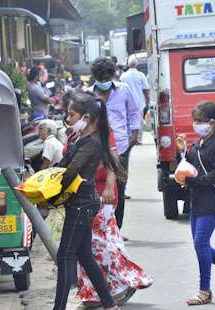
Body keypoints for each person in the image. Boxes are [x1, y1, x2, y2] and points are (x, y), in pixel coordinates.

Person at [75, 93, 153, 309]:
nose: (69, 117)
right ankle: (92, 293)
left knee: (102, 244)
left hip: (102, 195)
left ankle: (127, 280)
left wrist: (110, 186)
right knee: (86, 247)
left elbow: (112, 161)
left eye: (73, 113)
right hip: (81, 197)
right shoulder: (76, 134)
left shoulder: (104, 134)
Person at [53, 90, 120, 310]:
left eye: (71, 114)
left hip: (83, 204)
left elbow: (70, 172)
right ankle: (110, 304)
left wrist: (48, 194)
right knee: (83, 255)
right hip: (82, 202)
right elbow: (62, 166)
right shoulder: (80, 139)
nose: (67, 118)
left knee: (64, 257)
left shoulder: (91, 143)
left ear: (86, 118)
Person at [175, 101, 215, 306]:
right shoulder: (199, 143)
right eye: (194, 120)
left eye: (199, 121)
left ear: (212, 123)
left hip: (211, 202)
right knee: (202, 245)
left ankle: (204, 290)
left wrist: (193, 181)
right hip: (196, 201)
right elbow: (192, 164)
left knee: (200, 244)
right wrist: (182, 152)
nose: (195, 124)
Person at [89, 57, 142, 231]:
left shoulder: (123, 90)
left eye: (107, 78)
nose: (104, 82)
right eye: (100, 79)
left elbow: (134, 112)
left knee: (119, 185)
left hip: (120, 145)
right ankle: (100, 225)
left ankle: (117, 228)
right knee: (98, 184)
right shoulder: (88, 94)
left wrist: (134, 134)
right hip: (97, 147)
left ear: (112, 76)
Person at [120, 57, 150, 143]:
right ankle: (138, 139)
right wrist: (148, 100)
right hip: (138, 102)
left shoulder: (123, 76)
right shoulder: (141, 75)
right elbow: (146, 90)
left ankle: (130, 137)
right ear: (137, 64)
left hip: (126, 102)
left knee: (128, 120)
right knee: (139, 120)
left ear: (128, 65)